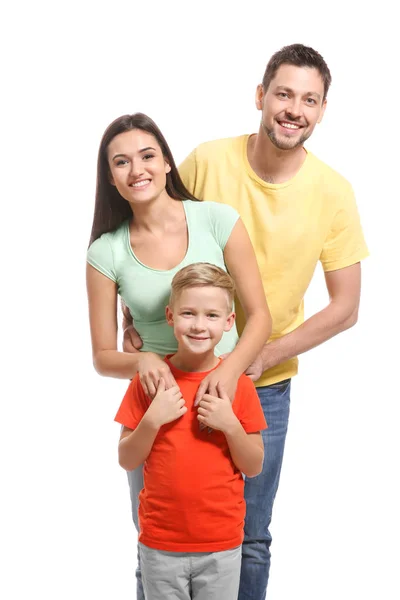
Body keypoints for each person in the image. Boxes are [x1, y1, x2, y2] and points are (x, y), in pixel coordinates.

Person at [123, 44, 369, 599]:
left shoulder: (334, 192)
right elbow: (149, 235)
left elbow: (346, 305)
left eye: (310, 99)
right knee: (155, 534)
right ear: (261, 97)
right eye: (284, 93)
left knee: (250, 538)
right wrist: (130, 320)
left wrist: (261, 356)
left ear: (323, 110)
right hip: (177, 377)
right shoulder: (208, 161)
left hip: (264, 385)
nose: (294, 109)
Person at [86, 113, 271, 598]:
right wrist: (142, 361)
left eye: (147, 155)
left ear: (167, 161)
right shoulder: (107, 251)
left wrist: (228, 375)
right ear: (110, 177)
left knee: (239, 535)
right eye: (120, 162)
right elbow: (104, 355)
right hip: (157, 403)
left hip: (223, 393)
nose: (136, 169)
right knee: (156, 541)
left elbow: (259, 317)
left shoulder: (216, 219)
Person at [115, 263, 267, 600]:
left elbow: (254, 465)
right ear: (170, 316)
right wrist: (152, 420)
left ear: (229, 323)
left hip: (221, 546)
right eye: (188, 313)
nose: (199, 325)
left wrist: (229, 424)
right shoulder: (150, 381)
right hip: (160, 545)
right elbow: (126, 459)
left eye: (212, 315)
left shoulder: (239, 387)